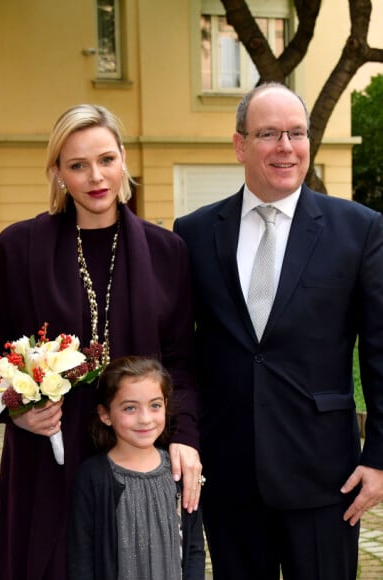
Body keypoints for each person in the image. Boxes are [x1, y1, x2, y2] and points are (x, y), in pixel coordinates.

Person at [0, 103, 202, 580]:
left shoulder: (166, 251)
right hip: (47, 459)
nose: (96, 176)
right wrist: (18, 408)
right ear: (57, 173)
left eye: (106, 159)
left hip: (137, 456)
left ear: (123, 160)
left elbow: (182, 361)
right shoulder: (17, 248)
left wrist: (187, 440)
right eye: (78, 165)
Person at [173, 82, 383, 579]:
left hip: (326, 476)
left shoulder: (360, 229)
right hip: (227, 473)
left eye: (296, 133)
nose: (285, 147)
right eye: (269, 134)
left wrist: (379, 458)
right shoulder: (195, 232)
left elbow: (379, 351)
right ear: (240, 144)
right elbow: (181, 350)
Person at [68, 356, 205, 580]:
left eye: (155, 406)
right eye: (130, 408)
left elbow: (194, 548)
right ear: (105, 414)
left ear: (166, 406)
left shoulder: (178, 472)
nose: (145, 419)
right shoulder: (93, 476)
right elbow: (81, 556)